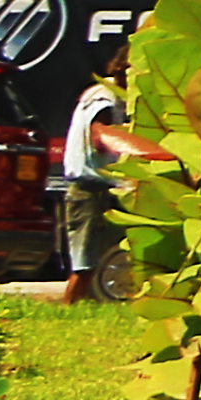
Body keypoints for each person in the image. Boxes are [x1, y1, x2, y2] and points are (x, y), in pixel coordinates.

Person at [54, 33, 129, 303]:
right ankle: (68, 309)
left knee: (109, 257)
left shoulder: (114, 95)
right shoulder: (104, 97)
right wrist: (133, 146)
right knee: (84, 264)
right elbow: (99, 136)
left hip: (103, 188)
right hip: (89, 190)